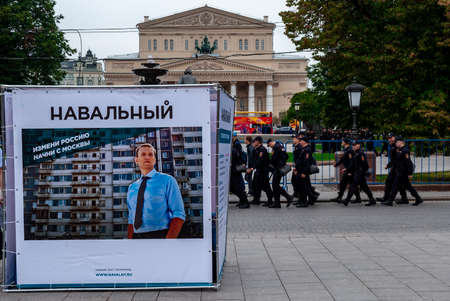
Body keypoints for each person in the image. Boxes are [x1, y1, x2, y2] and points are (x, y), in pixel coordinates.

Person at [127, 143, 185, 239]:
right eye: (143, 154)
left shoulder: (167, 180)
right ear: (136, 160)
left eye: (150, 154)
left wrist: (168, 242)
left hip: (160, 235)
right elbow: (130, 220)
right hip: (136, 238)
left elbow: (179, 214)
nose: (147, 157)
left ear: (154, 159)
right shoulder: (132, 188)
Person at [382, 137, 423, 206]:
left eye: (397, 142)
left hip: (402, 172)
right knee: (408, 187)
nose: (396, 144)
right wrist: (389, 165)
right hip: (400, 171)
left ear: (401, 143)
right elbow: (396, 160)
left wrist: (410, 173)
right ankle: (418, 198)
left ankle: (390, 201)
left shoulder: (405, 150)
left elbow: (408, 162)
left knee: (395, 186)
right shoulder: (399, 150)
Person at [376, 134, 409, 204]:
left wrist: (390, 165)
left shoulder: (397, 146)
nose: (389, 139)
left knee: (392, 182)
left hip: (398, 168)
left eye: (390, 138)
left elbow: (397, 159)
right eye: (388, 138)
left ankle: (388, 199)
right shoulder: (393, 145)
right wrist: (389, 165)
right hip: (396, 167)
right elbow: (394, 158)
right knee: (399, 184)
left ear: (394, 138)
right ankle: (403, 198)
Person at [342, 141, 376, 206]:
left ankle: (347, 200)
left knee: (353, 186)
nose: (353, 146)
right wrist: (347, 170)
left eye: (355, 145)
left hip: (360, 173)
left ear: (358, 145)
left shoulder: (361, 154)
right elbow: (353, 164)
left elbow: (365, 165)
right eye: (353, 145)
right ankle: (372, 199)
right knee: (365, 187)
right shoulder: (356, 153)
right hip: (357, 173)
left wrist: (362, 172)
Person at [331, 138, 361, 203]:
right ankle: (357, 198)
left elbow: (351, 162)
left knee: (345, 184)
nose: (341, 142)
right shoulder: (346, 150)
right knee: (348, 184)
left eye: (342, 141)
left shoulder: (350, 150)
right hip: (348, 170)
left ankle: (340, 197)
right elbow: (342, 159)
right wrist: (336, 164)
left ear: (345, 142)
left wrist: (348, 170)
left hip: (350, 170)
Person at [267, 139, 293, 208]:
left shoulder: (275, 147)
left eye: (269, 145)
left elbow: (273, 159)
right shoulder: (280, 146)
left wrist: (271, 160)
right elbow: (286, 156)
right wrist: (282, 162)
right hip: (280, 167)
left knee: (275, 185)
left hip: (278, 168)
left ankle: (288, 197)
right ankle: (277, 203)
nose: (270, 147)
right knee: (275, 185)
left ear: (271, 143)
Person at [248, 136, 273, 206]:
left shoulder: (262, 150)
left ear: (258, 142)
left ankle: (270, 201)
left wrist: (252, 168)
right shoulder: (256, 149)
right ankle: (256, 199)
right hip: (258, 170)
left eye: (255, 141)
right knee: (255, 185)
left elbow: (259, 161)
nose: (253, 142)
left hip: (263, 171)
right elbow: (254, 160)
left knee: (266, 186)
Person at [295, 137, 317, 207]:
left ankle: (304, 202)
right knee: (305, 186)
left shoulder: (307, 150)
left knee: (304, 187)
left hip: (304, 171)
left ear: (304, 141)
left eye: (301, 140)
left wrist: (304, 172)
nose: (300, 141)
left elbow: (306, 162)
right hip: (300, 169)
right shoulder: (303, 149)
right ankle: (309, 199)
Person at [230, 136, 250, 209]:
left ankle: (245, 202)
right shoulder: (233, 150)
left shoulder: (233, 150)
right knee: (233, 188)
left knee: (237, 188)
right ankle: (242, 200)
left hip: (235, 171)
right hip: (234, 171)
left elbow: (236, 161)